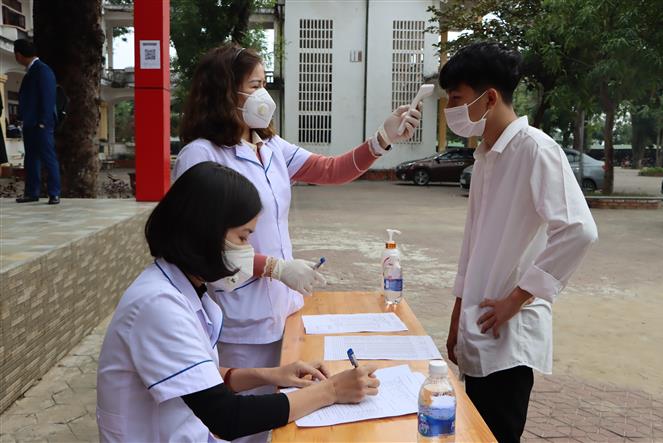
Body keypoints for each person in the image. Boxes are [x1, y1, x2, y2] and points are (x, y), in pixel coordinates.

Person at [173, 43, 421, 442]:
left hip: (285, 312)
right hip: (240, 321)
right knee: (243, 427)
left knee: (281, 424)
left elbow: (331, 169)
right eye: (253, 85)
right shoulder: (202, 155)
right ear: (224, 90)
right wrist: (275, 267)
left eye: (264, 83)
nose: (263, 95)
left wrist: (382, 139)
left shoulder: (269, 147)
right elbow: (203, 245)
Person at [97, 161, 379, 442]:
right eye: (243, 237)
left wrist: (273, 375)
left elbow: (198, 378)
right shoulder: (158, 306)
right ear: (205, 231)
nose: (249, 250)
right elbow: (226, 417)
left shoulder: (184, 288)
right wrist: (330, 391)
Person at [440, 42, 598, 443]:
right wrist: (458, 310)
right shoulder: (486, 156)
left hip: (509, 332)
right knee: (475, 432)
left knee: (498, 433)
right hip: (479, 322)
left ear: (489, 97)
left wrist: (517, 297)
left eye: (456, 99)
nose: (450, 110)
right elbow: (473, 242)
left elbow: (578, 229)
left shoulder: (536, 150)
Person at [13, 39, 61, 204]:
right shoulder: (31, 71)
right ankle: (32, 192)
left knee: (48, 157)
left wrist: (43, 122)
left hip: (41, 123)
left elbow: (48, 98)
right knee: (31, 158)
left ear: (18, 55)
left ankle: (54, 193)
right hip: (30, 123)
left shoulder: (42, 70)